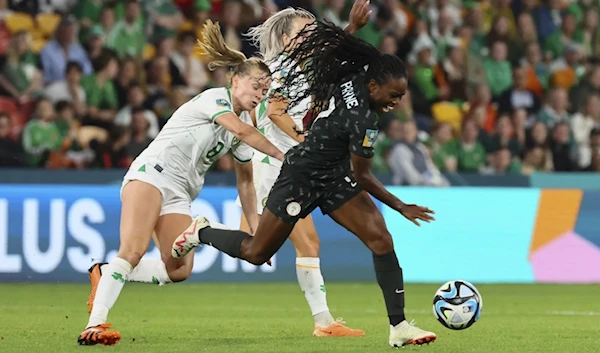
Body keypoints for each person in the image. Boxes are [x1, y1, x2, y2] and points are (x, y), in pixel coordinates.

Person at [172, 20, 437, 348]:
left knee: (381, 240)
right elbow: (365, 175)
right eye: (393, 95)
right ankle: (200, 232)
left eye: (401, 96)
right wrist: (401, 205)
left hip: (334, 177)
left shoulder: (353, 77)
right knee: (257, 252)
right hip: (300, 175)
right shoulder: (365, 122)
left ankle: (398, 327)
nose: (395, 102)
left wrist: (351, 27)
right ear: (372, 86)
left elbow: (332, 52)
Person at [77, 20, 284, 346]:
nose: (260, 94)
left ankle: (104, 273)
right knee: (131, 251)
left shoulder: (245, 123)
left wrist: (256, 230)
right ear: (235, 80)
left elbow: (245, 183)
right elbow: (244, 133)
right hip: (152, 174)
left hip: (180, 192)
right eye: (256, 86)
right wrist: (284, 154)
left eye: (265, 90)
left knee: (178, 270)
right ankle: (95, 324)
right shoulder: (215, 98)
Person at [233, 3, 370, 337]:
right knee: (306, 243)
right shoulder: (277, 67)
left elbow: (328, 53)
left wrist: (351, 28)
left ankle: (195, 237)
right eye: (304, 33)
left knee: (276, 245)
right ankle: (323, 323)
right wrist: (304, 135)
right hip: (275, 165)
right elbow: (277, 110)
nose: (313, 38)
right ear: (285, 38)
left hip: (292, 166)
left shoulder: (302, 66)